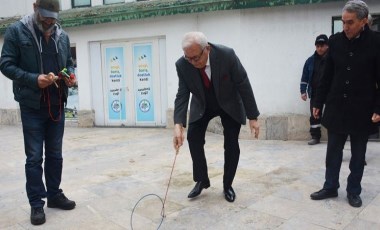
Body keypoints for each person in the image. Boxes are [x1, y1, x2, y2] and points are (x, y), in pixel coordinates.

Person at [0, 0, 77, 225]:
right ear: (35, 8)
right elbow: (5, 64)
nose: (50, 22)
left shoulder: (62, 35)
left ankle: (54, 195)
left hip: (57, 104)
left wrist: (70, 76)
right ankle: (36, 204)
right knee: (34, 158)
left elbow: (69, 63)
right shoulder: (16, 31)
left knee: (56, 155)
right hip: (32, 106)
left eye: (53, 18)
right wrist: (34, 79)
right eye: (45, 17)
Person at [173, 32, 260, 203]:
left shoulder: (227, 55)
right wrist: (178, 124)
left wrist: (253, 117)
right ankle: (202, 180)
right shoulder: (183, 64)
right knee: (194, 138)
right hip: (202, 104)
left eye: (195, 58)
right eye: (188, 58)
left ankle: (227, 185)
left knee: (231, 144)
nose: (192, 62)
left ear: (207, 49)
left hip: (229, 103)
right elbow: (182, 94)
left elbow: (243, 83)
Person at [310, 0, 380, 208]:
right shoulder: (335, 41)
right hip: (337, 106)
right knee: (333, 151)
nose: (346, 27)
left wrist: (378, 108)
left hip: (362, 108)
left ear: (364, 21)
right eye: (343, 22)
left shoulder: (376, 42)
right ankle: (330, 186)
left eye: (350, 23)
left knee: (358, 155)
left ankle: (353, 191)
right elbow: (326, 75)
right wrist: (318, 101)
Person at [300, 34, 329, 145]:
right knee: (315, 115)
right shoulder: (310, 61)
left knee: (331, 114)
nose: (320, 48)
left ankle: (335, 138)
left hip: (330, 92)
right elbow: (305, 77)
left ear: (327, 46)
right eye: (318, 46)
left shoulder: (332, 59)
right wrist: (303, 91)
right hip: (315, 92)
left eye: (322, 45)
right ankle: (315, 136)